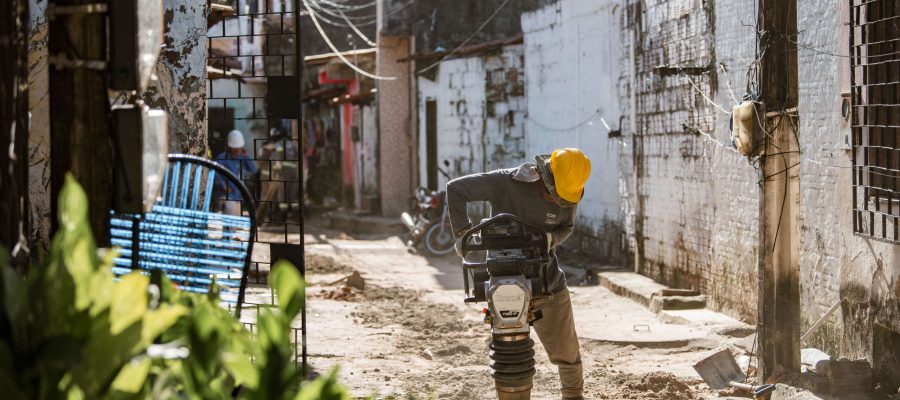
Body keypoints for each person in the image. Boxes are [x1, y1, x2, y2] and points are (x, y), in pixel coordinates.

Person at [446, 148, 591, 400]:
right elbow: (456, 189)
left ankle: (573, 395)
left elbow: (566, 227)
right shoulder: (506, 182)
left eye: (564, 200)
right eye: (553, 194)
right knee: (509, 352)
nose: (557, 202)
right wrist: (461, 233)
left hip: (547, 280)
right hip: (504, 278)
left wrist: (550, 238)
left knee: (567, 350)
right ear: (545, 176)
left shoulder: (570, 192)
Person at [214, 130, 258, 215]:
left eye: (239, 147)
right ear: (230, 146)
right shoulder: (222, 158)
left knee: (235, 225)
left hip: (238, 196)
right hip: (227, 196)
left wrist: (247, 156)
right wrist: (224, 186)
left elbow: (253, 169)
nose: (237, 149)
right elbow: (215, 173)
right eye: (235, 147)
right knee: (230, 225)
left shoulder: (242, 158)